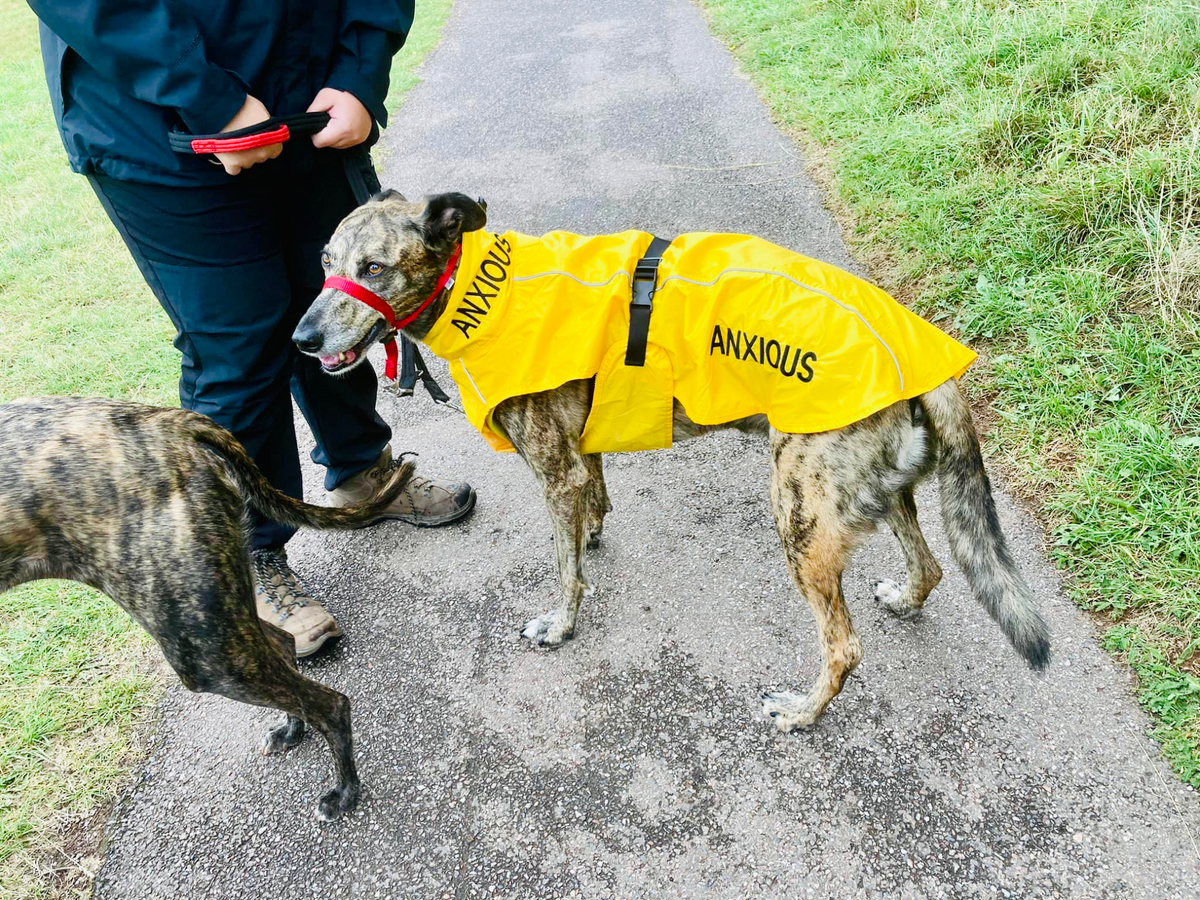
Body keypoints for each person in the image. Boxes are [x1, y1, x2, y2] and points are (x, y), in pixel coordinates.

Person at [30, 1, 476, 657]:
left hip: (314, 101)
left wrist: (360, 71)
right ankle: (250, 553)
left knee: (342, 302)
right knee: (237, 346)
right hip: (161, 126)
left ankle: (361, 470)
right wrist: (209, 96)